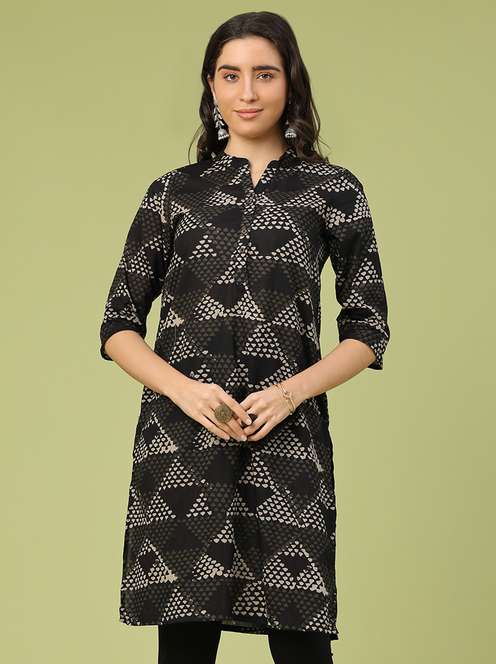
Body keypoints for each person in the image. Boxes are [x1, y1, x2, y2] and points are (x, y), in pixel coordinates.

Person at [98, 10, 390, 664]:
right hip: (182, 443)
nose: (248, 92)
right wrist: (185, 392)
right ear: (211, 85)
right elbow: (118, 323)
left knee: (302, 645)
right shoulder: (173, 193)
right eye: (230, 76)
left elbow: (368, 328)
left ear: (291, 83)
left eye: (265, 74)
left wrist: (291, 394)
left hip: (287, 436)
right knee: (185, 646)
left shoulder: (332, 191)